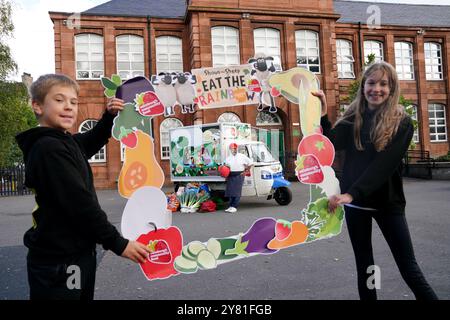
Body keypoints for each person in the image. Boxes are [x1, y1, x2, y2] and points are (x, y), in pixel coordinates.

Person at [15, 74, 151, 300]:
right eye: (59, 100)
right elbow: (79, 203)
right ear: (37, 105)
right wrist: (118, 243)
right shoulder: (48, 149)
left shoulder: (64, 142)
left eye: (73, 102)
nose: (68, 107)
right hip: (59, 261)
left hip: (75, 254)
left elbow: (91, 140)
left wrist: (108, 117)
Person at [312, 61, 438, 300]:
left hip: (386, 203)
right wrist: (322, 112)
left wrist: (352, 193)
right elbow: (329, 145)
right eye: (371, 83)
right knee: (366, 267)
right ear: (363, 86)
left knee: (408, 268)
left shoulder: (402, 122)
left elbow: (383, 166)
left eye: (383, 84)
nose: (376, 89)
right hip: (356, 206)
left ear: (392, 88)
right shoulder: (353, 117)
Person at [223, 143, 253, 213]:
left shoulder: (242, 156)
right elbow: (224, 166)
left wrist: (246, 171)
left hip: (239, 174)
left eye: (235, 148)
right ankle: (230, 206)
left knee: (236, 192)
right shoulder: (228, 158)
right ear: (230, 149)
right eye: (232, 148)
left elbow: (250, 163)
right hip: (230, 175)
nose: (234, 150)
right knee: (230, 191)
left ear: (237, 148)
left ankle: (234, 206)